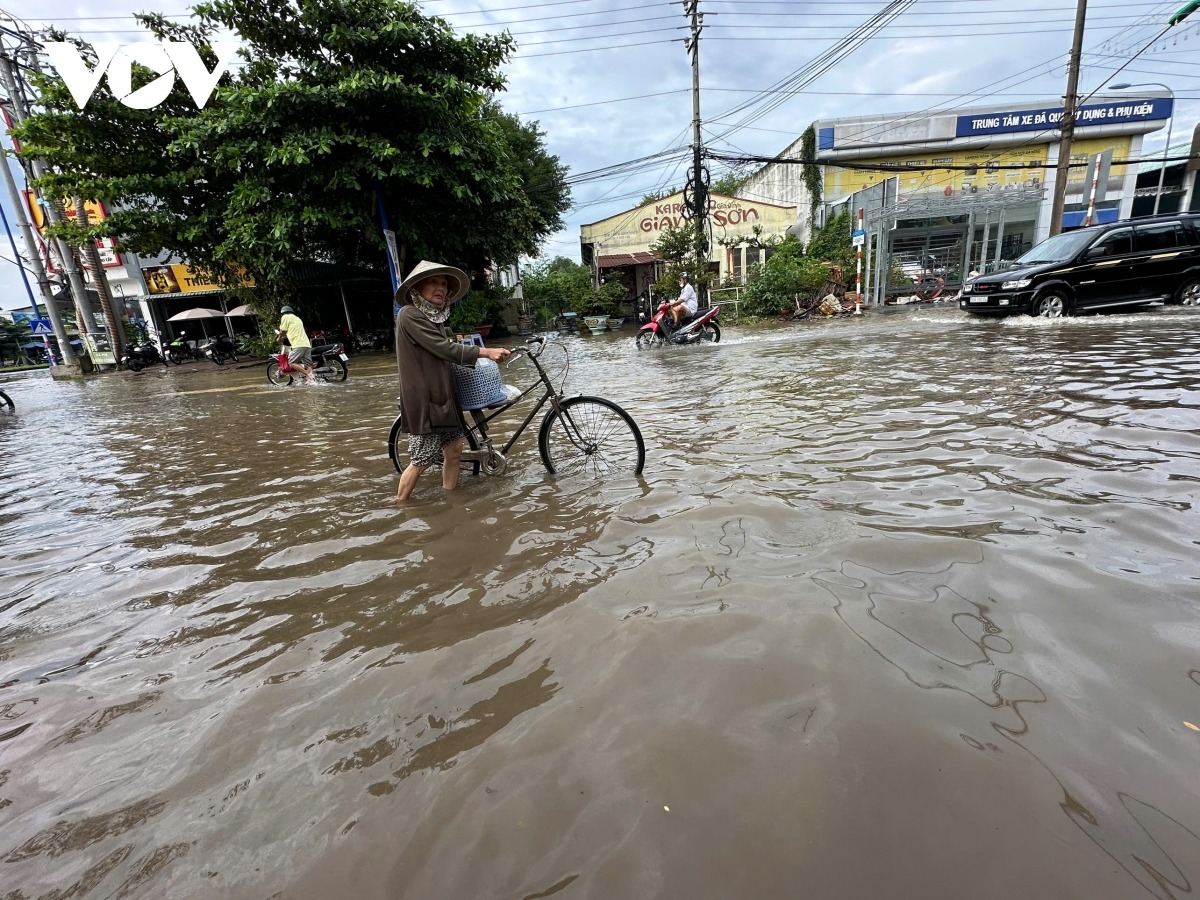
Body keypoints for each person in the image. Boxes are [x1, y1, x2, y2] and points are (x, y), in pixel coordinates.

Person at [394, 260, 511, 501]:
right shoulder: (409, 314)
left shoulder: (435, 319)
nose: (441, 288)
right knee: (421, 460)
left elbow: (450, 346)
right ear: (417, 288)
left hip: (444, 396)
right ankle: (401, 507)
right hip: (425, 399)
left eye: (444, 284)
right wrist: (485, 352)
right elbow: (443, 348)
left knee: (455, 449)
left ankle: (451, 501)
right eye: (434, 282)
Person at [277, 304, 315, 385]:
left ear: (284, 313)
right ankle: (311, 378)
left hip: (298, 344)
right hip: (307, 344)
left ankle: (307, 374)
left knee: (292, 362)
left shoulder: (285, 317)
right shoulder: (298, 318)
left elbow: (282, 330)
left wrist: (279, 338)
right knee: (308, 364)